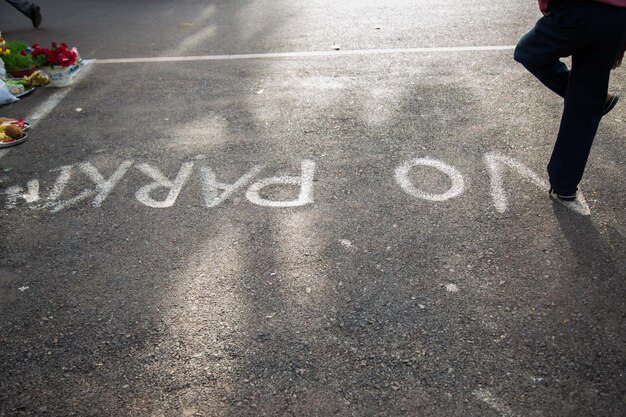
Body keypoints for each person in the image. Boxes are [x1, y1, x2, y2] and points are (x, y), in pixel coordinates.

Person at [514, 0, 626, 201]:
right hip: (616, 17)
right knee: (585, 99)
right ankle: (564, 184)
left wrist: (546, 5)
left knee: (528, 51)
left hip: (578, 10)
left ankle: (593, 99)